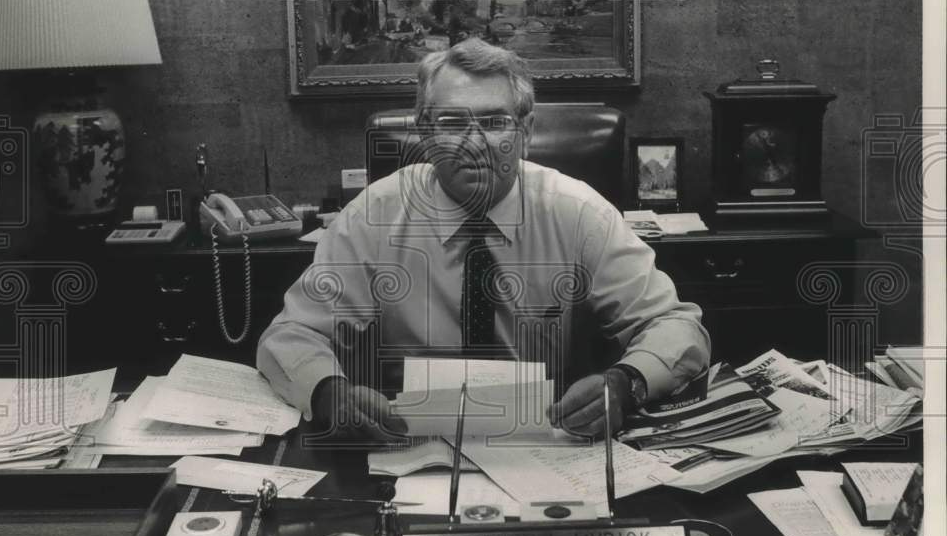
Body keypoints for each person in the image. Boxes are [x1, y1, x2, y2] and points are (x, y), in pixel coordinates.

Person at [257, 38, 710, 442]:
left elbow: (676, 327)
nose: (475, 144)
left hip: (551, 438)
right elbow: (292, 334)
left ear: (526, 132)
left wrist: (626, 383)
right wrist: (329, 393)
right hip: (405, 440)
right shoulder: (375, 215)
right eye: (452, 123)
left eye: (495, 122)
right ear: (426, 131)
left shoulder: (579, 212)